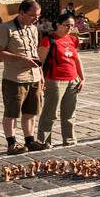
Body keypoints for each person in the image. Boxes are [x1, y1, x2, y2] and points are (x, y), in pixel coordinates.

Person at [0, 0, 45, 154]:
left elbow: (34, 53)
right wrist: (21, 59)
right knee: (12, 112)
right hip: (14, 78)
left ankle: (30, 140)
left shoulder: (33, 29)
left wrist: (40, 75)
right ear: (21, 13)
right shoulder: (6, 28)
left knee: (31, 111)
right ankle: (12, 143)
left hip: (34, 77)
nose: (36, 19)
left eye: (38, 15)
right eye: (33, 15)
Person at [34, 11, 84, 148]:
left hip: (72, 79)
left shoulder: (73, 39)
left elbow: (77, 59)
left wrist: (82, 77)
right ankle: (44, 141)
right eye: (67, 25)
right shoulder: (48, 40)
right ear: (57, 25)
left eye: (72, 26)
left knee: (70, 113)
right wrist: (41, 80)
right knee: (50, 112)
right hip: (54, 80)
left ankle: (69, 139)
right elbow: (40, 62)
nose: (70, 28)